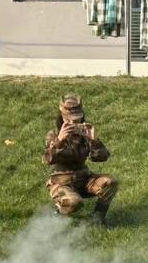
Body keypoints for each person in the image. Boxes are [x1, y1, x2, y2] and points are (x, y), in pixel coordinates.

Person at [44, 95, 118, 226]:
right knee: (74, 202)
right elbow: (48, 159)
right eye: (69, 120)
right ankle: (58, 212)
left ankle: (98, 218)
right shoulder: (54, 134)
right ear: (62, 117)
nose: (73, 123)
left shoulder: (84, 132)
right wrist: (59, 141)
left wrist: (94, 141)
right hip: (61, 182)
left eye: (76, 119)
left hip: (83, 179)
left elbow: (101, 158)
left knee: (110, 183)